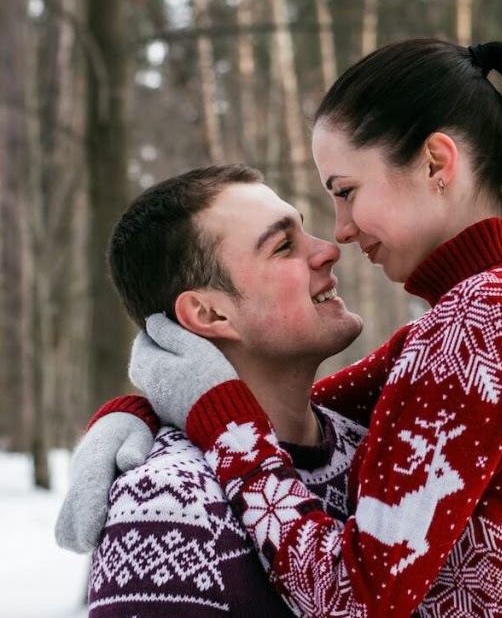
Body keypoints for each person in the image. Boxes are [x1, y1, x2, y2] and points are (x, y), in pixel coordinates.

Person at [59, 39, 502, 617]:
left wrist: (221, 421)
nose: (338, 234)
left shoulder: (485, 318)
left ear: (436, 163)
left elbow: (353, 600)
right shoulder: (500, 306)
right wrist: (151, 410)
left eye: (346, 192)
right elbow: (293, 409)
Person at [56, 164, 412, 615]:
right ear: (208, 314)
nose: (328, 250)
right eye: (284, 246)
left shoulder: (372, 447)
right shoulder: (165, 507)